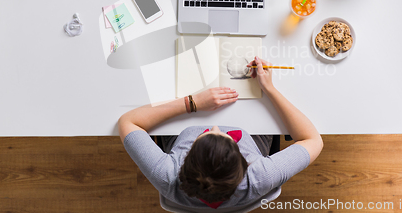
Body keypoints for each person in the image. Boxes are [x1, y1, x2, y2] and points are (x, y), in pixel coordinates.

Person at [119, 56, 323, 211]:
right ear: (246, 164)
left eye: (206, 134)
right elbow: (313, 140)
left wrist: (192, 103)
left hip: (184, 121)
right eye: (224, 137)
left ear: (185, 161)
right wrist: (269, 88)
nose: (215, 127)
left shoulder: (166, 176)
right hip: (254, 133)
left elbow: (128, 122)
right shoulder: (260, 177)